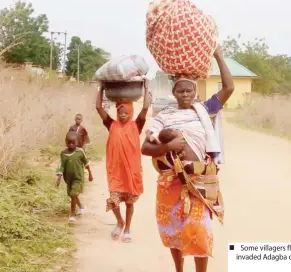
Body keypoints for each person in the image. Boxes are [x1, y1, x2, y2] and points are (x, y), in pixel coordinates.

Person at [141, 46, 234, 272]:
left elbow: (229, 87)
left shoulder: (205, 110)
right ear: (174, 93)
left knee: (200, 232)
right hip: (172, 183)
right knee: (174, 231)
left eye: (188, 91)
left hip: (199, 181)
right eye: (180, 91)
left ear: (195, 92)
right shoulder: (165, 116)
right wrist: (167, 146)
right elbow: (145, 147)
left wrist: (218, 55)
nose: (185, 95)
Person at [95, 80, 150, 243]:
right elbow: (99, 108)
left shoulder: (136, 125)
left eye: (126, 113)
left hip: (131, 171)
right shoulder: (111, 124)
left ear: (131, 112)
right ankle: (119, 221)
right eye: (120, 113)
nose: (122, 115)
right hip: (116, 170)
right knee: (114, 200)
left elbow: (145, 108)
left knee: (130, 203)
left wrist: (146, 88)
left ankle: (127, 228)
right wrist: (101, 89)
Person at [56, 131, 93, 223]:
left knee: (73, 194)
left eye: (73, 142)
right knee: (71, 194)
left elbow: (86, 162)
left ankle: (72, 215)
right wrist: (59, 178)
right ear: (65, 142)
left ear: (77, 142)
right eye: (69, 142)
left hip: (78, 178)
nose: (71, 144)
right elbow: (62, 165)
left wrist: (90, 174)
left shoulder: (80, 151)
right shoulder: (63, 153)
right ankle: (82, 207)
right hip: (68, 179)